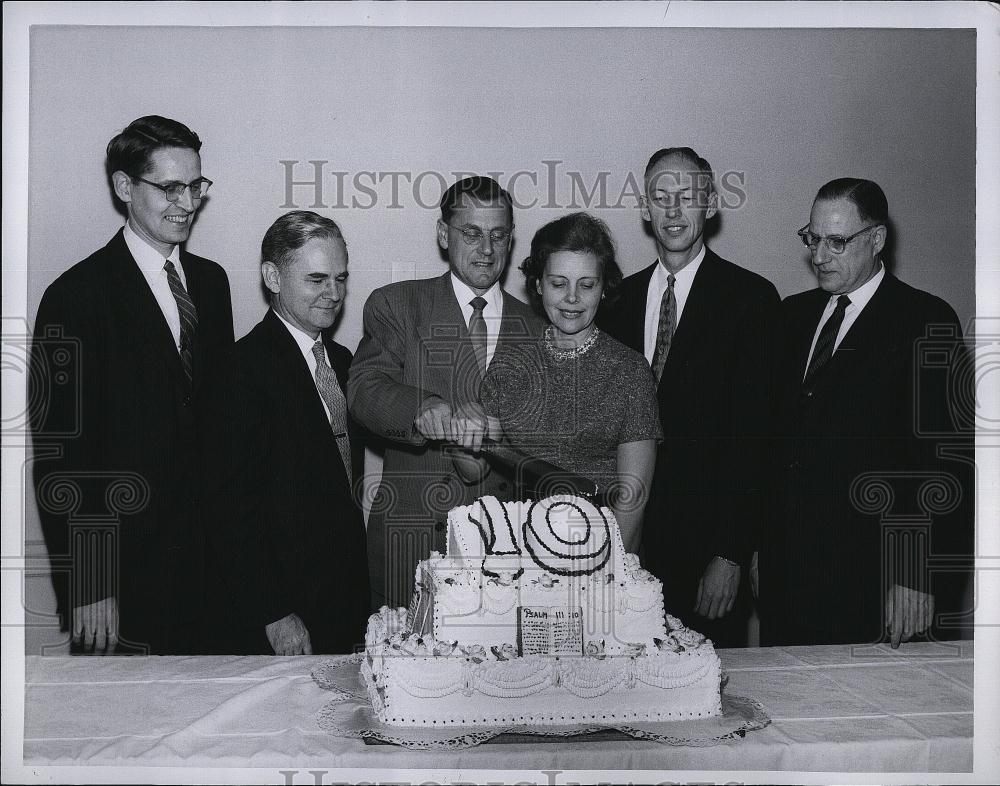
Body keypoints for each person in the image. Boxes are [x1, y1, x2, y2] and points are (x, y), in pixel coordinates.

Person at [29, 115, 234, 654]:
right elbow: (62, 455)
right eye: (170, 188)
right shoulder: (75, 296)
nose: (187, 203)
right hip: (124, 583)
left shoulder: (212, 283)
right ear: (124, 186)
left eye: (195, 186)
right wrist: (90, 582)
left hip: (215, 577)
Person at [761, 178, 973, 647]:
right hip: (787, 581)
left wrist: (917, 574)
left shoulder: (925, 318)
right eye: (812, 238)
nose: (819, 256)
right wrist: (757, 549)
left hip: (875, 587)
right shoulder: (791, 316)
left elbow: (946, 464)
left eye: (837, 241)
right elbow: (773, 447)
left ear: (876, 239)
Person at [600, 147, 779, 647]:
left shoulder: (752, 299)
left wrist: (731, 554)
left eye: (687, 196)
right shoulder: (616, 301)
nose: (673, 210)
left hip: (707, 557)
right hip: (624, 547)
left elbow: (755, 439)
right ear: (645, 208)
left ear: (712, 204)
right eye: (660, 197)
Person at [347, 176, 542, 609]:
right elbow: (364, 389)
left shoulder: (538, 327)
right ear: (442, 234)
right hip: (411, 549)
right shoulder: (397, 304)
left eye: (498, 236)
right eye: (471, 233)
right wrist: (422, 407)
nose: (486, 249)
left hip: (504, 559)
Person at [205, 211, 369, 655]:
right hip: (282, 614)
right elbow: (229, 508)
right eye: (317, 279)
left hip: (343, 600)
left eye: (340, 278)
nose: (333, 293)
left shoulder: (343, 360)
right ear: (273, 277)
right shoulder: (239, 370)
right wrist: (273, 612)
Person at [457, 212, 660, 554]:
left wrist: (609, 572)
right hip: (519, 553)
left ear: (603, 288)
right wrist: (466, 428)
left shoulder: (630, 372)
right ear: (538, 285)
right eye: (558, 283)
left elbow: (633, 500)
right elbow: (471, 471)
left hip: (599, 553)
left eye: (587, 284)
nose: (572, 297)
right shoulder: (509, 364)